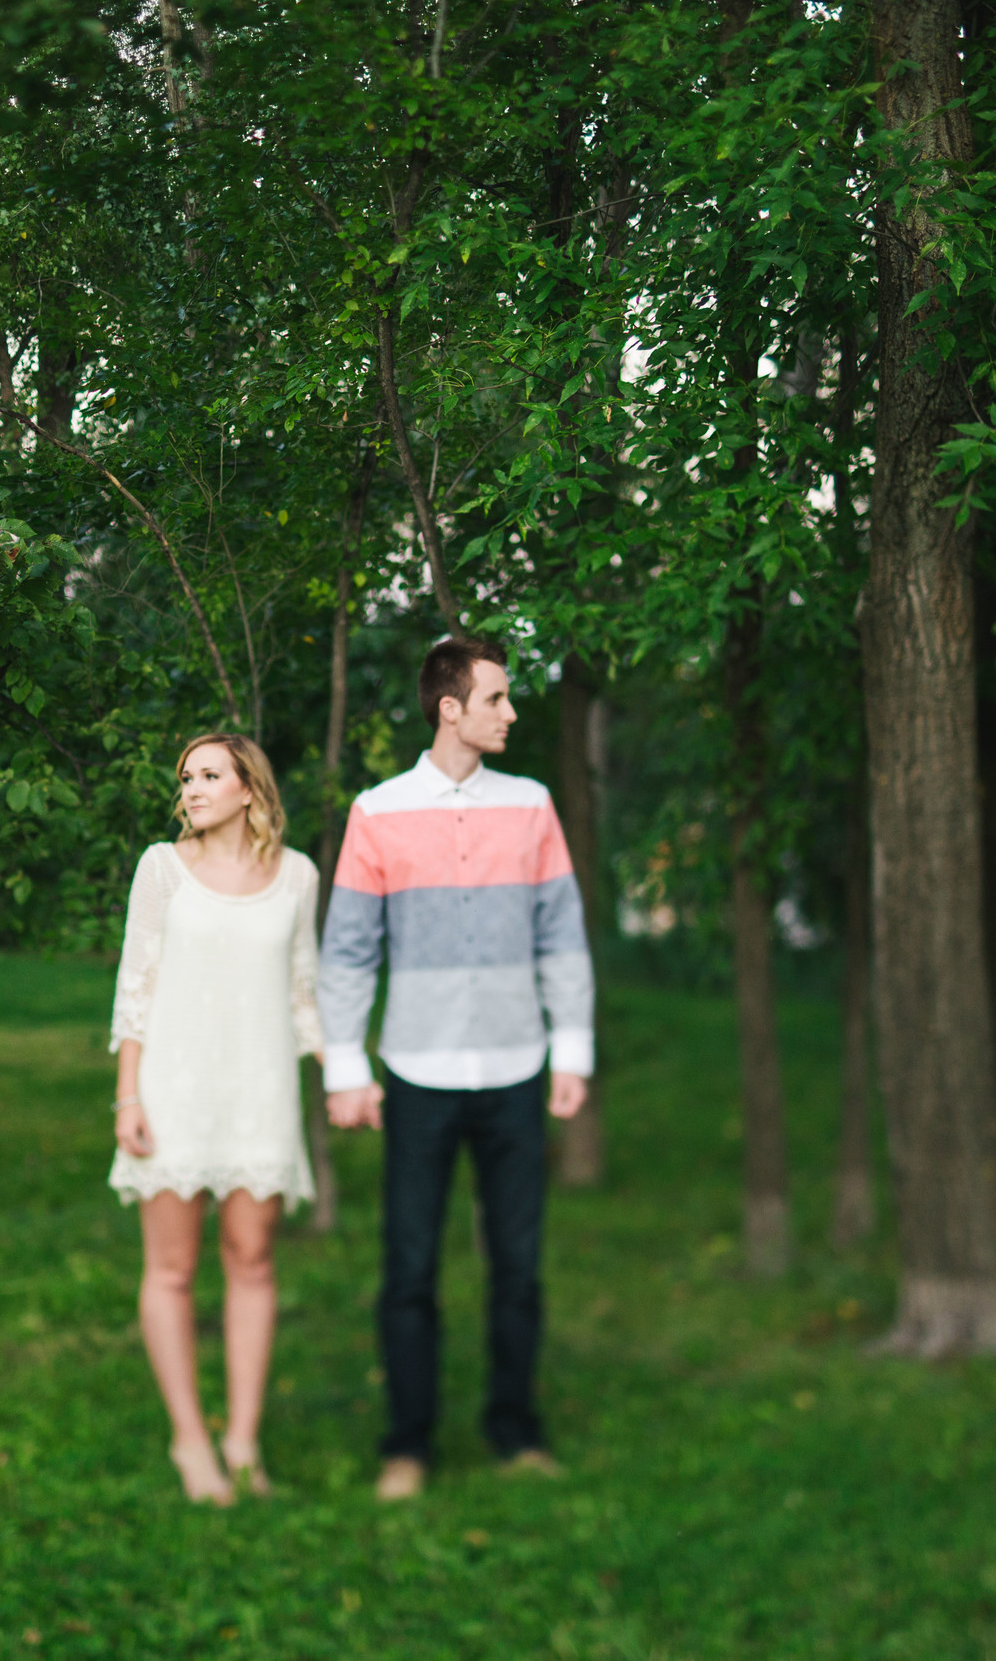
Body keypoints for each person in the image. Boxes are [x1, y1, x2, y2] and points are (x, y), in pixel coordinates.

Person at [320, 637, 595, 1500]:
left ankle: (514, 1431)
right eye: (498, 699)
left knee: (518, 1266)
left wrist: (572, 1048)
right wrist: (344, 1068)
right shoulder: (378, 811)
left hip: (517, 1070)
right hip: (417, 1075)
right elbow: (348, 952)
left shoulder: (534, 806)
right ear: (450, 707)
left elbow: (562, 936)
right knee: (409, 1269)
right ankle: (408, 1444)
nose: (512, 713)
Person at [108, 732, 322, 1505]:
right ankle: (190, 1439)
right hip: (172, 1090)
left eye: (207, 774)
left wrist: (349, 1072)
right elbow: (136, 986)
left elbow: (305, 991)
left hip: (261, 1091)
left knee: (253, 1258)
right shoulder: (162, 869)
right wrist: (128, 1096)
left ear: (247, 788)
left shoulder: (297, 876)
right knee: (171, 1266)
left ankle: (243, 1440)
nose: (190, 788)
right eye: (185, 777)